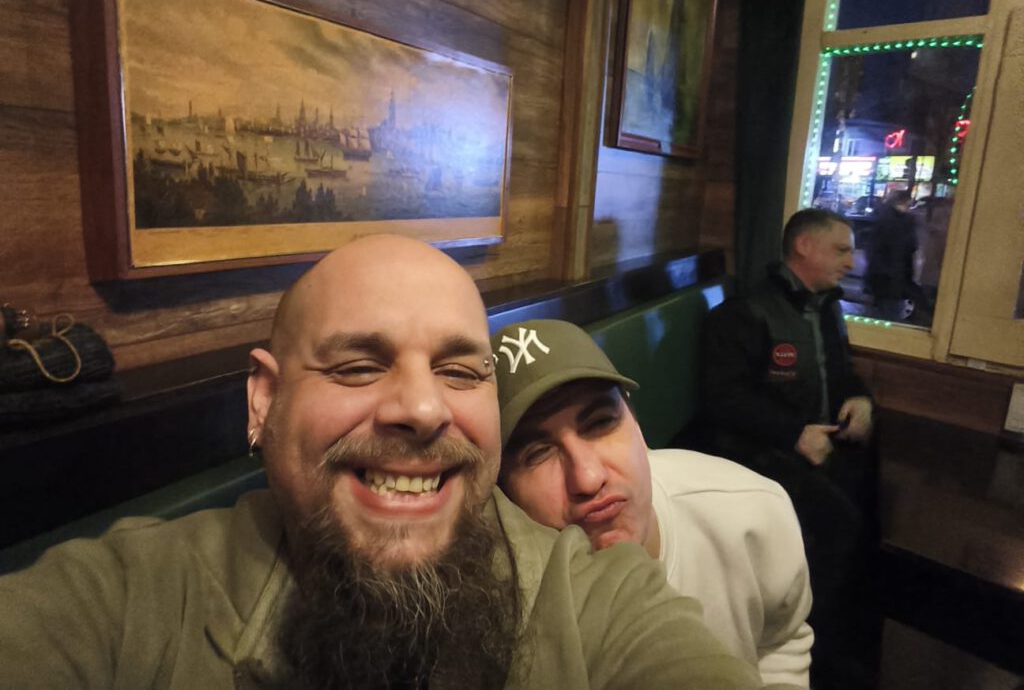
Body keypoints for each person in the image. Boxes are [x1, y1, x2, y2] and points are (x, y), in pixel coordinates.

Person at [0, 235, 762, 690]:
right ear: (264, 402)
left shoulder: (599, 597)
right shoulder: (125, 603)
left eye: (459, 371)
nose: (424, 409)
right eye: (358, 367)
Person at [491, 318, 815, 688]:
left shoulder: (753, 513)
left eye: (600, 423)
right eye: (537, 453)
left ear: (636, 423)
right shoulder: (499, 607)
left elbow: (782, 638)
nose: (587, 478)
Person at [700, 208, 879, 689]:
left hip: (817, 445)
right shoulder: (743, 314)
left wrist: (861, 399)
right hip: (756, 453)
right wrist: (794, 433)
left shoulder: (827, 308)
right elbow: (722, 400)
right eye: (841, 250)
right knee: (841, 524)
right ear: (804, 246)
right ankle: (799, 644)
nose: (850, 261)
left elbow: (843, 373)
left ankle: (837, 638)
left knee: (874, 503)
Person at [866, 189, 919, 322]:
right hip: (894, 276)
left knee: (881, 312)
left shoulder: (881, 218)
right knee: (892, 315)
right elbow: (910, 247)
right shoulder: (903, 222)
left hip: (881, 275)